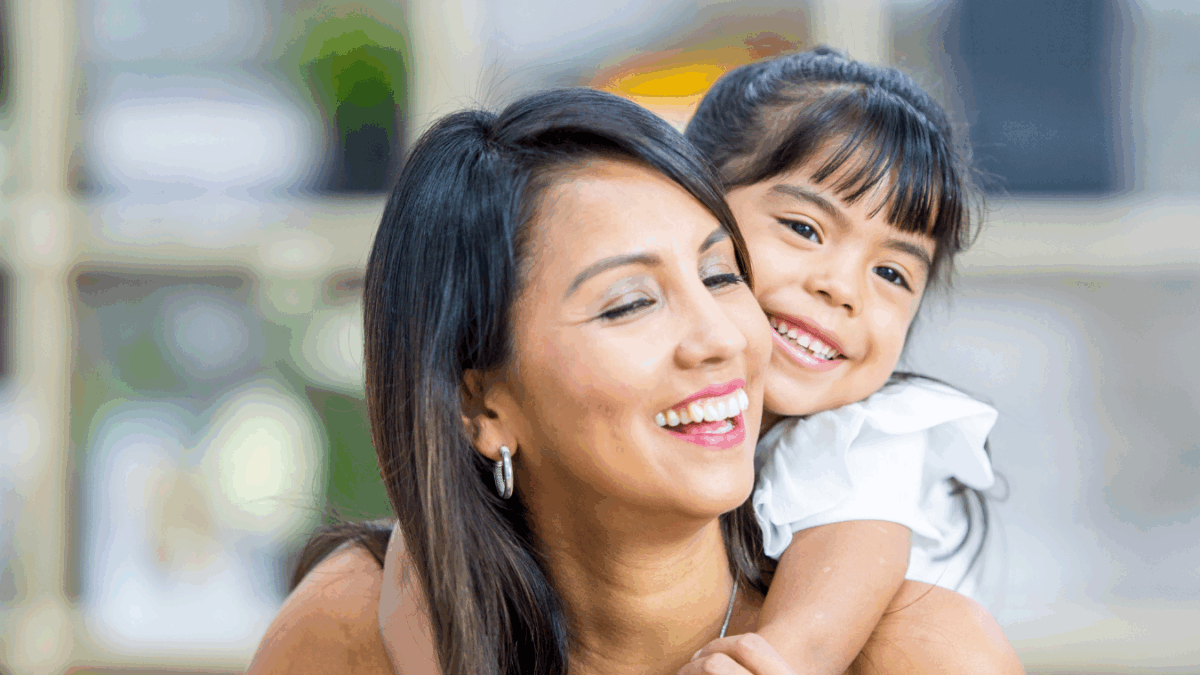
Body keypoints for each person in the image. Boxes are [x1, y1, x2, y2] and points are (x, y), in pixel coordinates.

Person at [249, 88, 1021, 675]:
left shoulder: (919, 648)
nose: (723, 338)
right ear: (477, 400)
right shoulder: (349, 626)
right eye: (629, 303)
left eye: (721, 275)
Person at [680, 47, 1002, 674]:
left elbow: (807, 645)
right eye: (804, 228)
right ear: (694, 205)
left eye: (891, 272)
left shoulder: (868, 436)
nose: (843, 288)